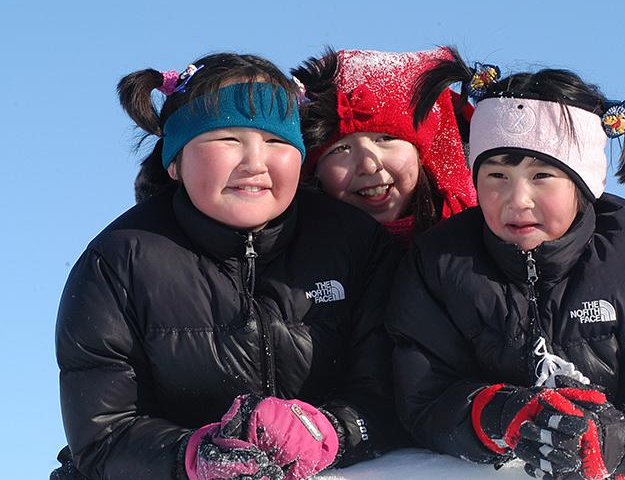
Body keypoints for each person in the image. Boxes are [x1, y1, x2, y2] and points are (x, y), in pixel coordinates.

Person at [385, 49, 625, 479]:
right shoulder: (440, 264)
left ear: (582, 184)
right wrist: (501, 414)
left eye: (542, 176)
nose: (517, 199)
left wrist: (621, 441)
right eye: (496, 176)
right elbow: (423, 396)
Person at [52, 52, 404, 480]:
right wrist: (193, 455)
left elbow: (397, 388)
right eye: (227, 139)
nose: (255, 162)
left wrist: (331, 429)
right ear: (175, 161)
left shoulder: (354, 243)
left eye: (276, 142)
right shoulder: (118, 262)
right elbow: (103, 436)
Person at [290, 48, 477, 246]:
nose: (369, 166)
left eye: (385, 139)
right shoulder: (295, 264)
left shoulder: (480, 242)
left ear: (421, 152)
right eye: (341, 149)